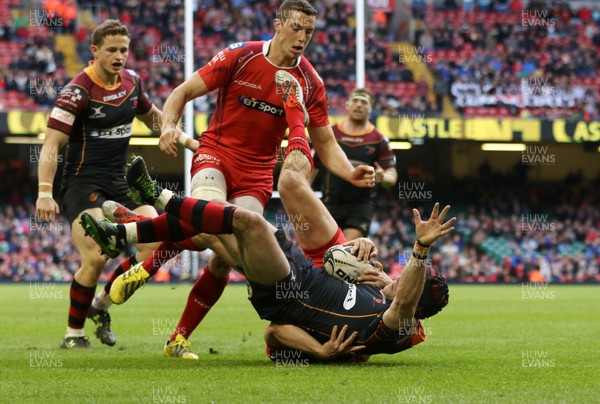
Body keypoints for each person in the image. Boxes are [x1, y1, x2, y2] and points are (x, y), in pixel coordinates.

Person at [113, 0, 374, 357]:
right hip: (216, 155)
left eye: (309, 32)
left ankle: (173, 327)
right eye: (296, 28)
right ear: (278, 24)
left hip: (257, 174)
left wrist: (349, 171)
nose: (303, 38)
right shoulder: (241, 56)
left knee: (239, 252)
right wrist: (169, 127)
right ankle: (142, 245)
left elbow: (325, 142)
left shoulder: (309, 82)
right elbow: (182, 93)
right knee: (212, 214)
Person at [80, 154, 454, 360]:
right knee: (211, 230)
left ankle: (158, 196)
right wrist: (362, 249)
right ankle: (125, 232)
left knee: (250, 223)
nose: (399, 276)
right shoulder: (380, 290)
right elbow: (354, 271)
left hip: (286, 288)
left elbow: (273, 330)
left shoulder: (395, 327)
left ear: (415, 303)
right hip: (299, 270)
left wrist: (421, 248)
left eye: (407, 279)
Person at [34, 19, 194, 349]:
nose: (119, 56)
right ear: (94, 52)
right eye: (112, 50)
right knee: (94, 257)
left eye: (123, 50)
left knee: (158, 243)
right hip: (82, 184)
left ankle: (101, 305)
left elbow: (157, 120)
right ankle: (73, 334)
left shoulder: (132, 84)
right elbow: (51, 145)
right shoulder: (76, 93)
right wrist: (45, 192)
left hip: (121, 184)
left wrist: (175, 135)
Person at [313, 88, 398, 240]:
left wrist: (383, 177)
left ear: (370, 108)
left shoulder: (379, 140)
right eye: (355, 101)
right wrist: (304, 191)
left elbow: (391, 175)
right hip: (329, 203)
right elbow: (313, 165)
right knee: (325, 253)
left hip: (360, 207)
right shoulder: (331, 134)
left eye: (364, 102)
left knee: (346, 253)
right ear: (347, 105)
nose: (359, 105)